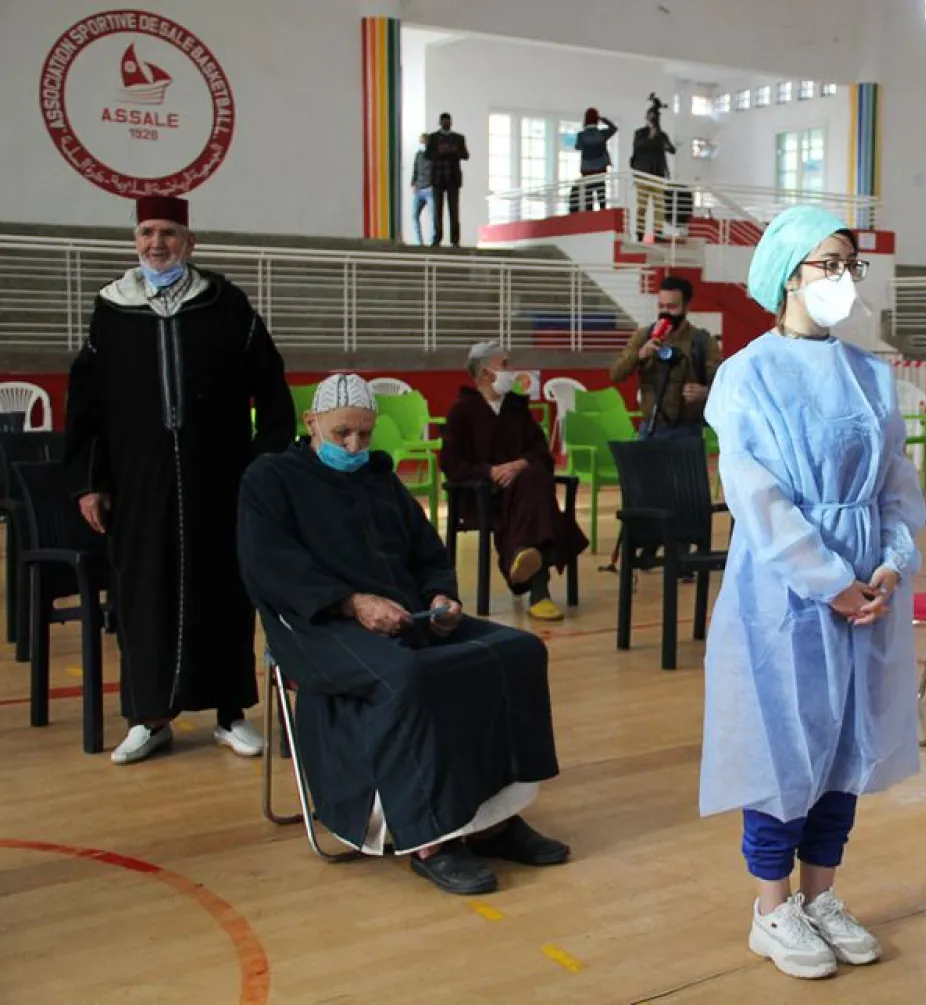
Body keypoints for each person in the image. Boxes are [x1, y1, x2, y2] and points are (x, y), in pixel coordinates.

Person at [701, 205, 926, 981]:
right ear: (786, 274)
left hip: (870, 587)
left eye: (850, 264)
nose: (844, 278)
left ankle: (822, 894)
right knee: (782, 746)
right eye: (829, 263)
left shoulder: (870, 373)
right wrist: (830, 582)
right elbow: (759, 499)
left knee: (846, 746)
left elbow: (897, 481)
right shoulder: (747, 375)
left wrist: (893, 559)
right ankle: (772, 908)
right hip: (787, 595)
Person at [237, 374, 569, 896]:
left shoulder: (379, 479)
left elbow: (427, 554)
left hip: (403, 614)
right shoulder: (271, 479)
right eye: (343, 432)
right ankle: (429, 838)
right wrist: (352, 602)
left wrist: (439, 597)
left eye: (365, 435)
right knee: (406, 675)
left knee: (518, 652)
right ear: (311, 424)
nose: (355, 446)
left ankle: (495, 819)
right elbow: (268, 567)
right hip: (316, 624)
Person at [63, 195, 295, 765]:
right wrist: (90, 482)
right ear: (135, 240)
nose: (156, 243)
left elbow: (270, 386)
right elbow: (86, 404)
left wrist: (263, 463)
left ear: (189, 243)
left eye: (167, 233)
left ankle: (229, 716)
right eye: (146, 232)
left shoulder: (224, 303)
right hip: (139, 483)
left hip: (220, 476)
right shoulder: (112, 310)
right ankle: (150, 718)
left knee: (223, 592)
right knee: (144, 595)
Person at [439, 341, 589, 622]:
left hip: (524, 493)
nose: (511, 370)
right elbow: (451, 463)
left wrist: (518, 464)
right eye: (504, 365)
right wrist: (490, 472)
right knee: (536, 491)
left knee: (532, 476)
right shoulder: (462, 410)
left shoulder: (516, 407)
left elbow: (541, 451)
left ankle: (521, 558)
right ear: (486, 373)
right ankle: (535, 587)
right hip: (483, 495)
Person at [608, 276, 721, 440]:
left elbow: (723, 385)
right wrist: (640, 355)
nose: (665, 312)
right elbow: (615, 374)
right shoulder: (644, 336)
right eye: (661, 306)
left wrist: (706, 392)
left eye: (672, 306)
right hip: (651, 428)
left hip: (687, 431)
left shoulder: (702, 341)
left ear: (687, 307)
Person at [630, 103, 676, 242]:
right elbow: (639, 146)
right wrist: (651, 136)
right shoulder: (639, 133)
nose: (653, 119)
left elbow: (672, 150)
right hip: (643, 175)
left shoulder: (662, 135)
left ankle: (658, 232)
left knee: (659, 206)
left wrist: (663, 141)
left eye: (655, 117)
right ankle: (639, 233)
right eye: (651, 116)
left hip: (657, 174)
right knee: (642, 207)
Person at [425, 113, 469, 247]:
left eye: (448, 121)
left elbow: (465, 155)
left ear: (451, 122)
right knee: (437, 211)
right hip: (438, 178)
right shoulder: (432, 138)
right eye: (444, 121)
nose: (446, 123)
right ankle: (437, 238)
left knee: (454, 211)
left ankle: (455, 240)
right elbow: (427, 155)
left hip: (453, 179)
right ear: (440, 122)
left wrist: (454, 151)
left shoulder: (459, 138)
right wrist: (440, 152)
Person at [574, 108, 617, 212]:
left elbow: (578, 147)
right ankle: (603, 215)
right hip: (600, 169)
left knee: (588, 196)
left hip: (587, 170)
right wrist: (603, 119)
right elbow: (614, 128)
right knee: (601, 194)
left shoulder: (581, 135)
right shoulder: (602, 134)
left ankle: (590, 218)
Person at [411, 133, 433, 245]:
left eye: (423, 142)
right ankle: (419, 242)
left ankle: (432, 242)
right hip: (419, 189)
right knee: (414, 215)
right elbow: (415, 169)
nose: (421, 144)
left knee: (433, 217)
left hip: (430, 189)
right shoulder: (418, 155)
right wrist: (413, 183)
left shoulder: (433, 156)